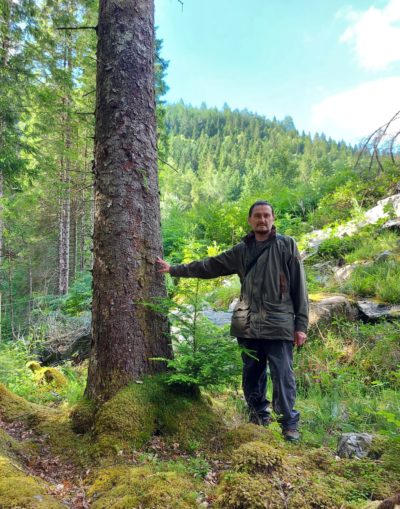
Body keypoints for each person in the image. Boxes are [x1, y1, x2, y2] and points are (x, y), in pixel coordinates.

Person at [156, 200, 308, 441]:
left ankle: (289, 425)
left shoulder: (286, 245)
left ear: (273, 218)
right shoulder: (242, 250)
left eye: (267, 215)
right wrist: (175, 269)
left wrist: (301, 325)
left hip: (279, 324)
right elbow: (210, 266)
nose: (262, 220)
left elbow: (300, 287)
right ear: (250, 220)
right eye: (257, 216)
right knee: (251, 374)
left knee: (283, 376)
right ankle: (258, 418)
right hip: (247, 324)